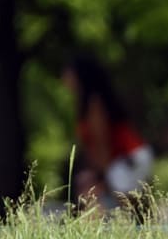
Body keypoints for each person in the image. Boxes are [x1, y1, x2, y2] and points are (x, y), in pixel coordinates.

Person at [62, 55, 153, 210]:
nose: (64, 79)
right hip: (120, 161)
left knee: (124, 208)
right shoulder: (86, 103)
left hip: (128, 158)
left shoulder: (94, 103)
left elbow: (101, 142)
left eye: (68, 74)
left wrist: (102, 176)